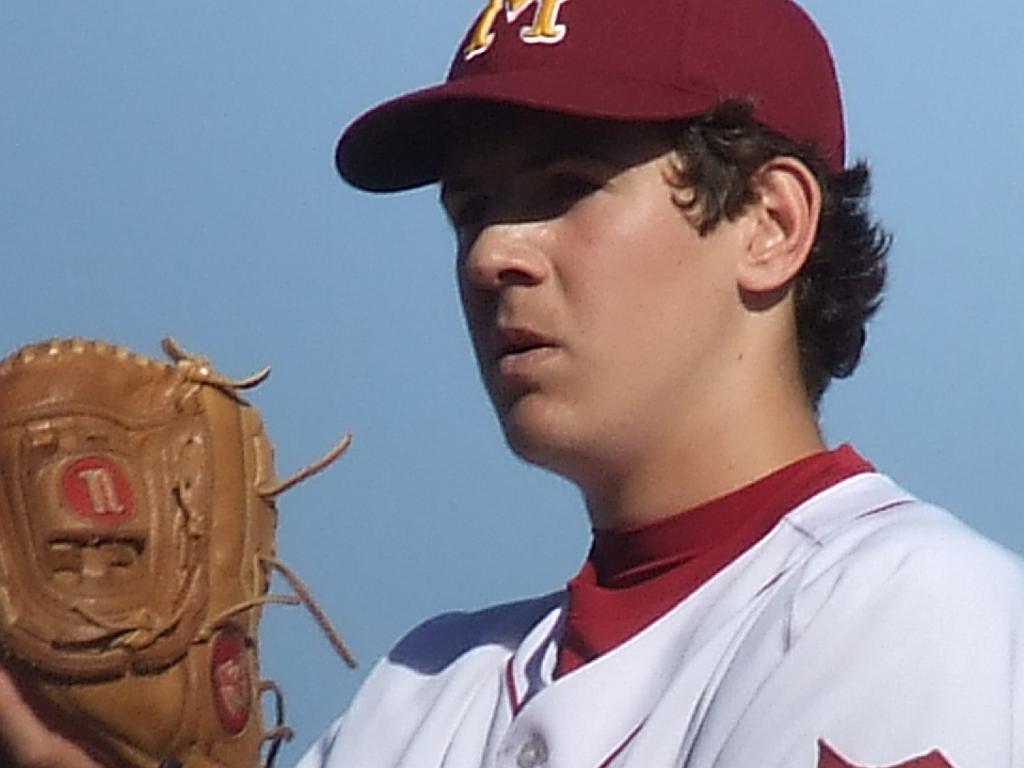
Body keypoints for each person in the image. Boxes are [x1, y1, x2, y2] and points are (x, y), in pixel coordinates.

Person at [2, 1, 1022, 767]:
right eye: (470, 208)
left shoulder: (910, 610)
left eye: (567, 187)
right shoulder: (419, 692)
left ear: (769, 223)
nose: (493, 252)